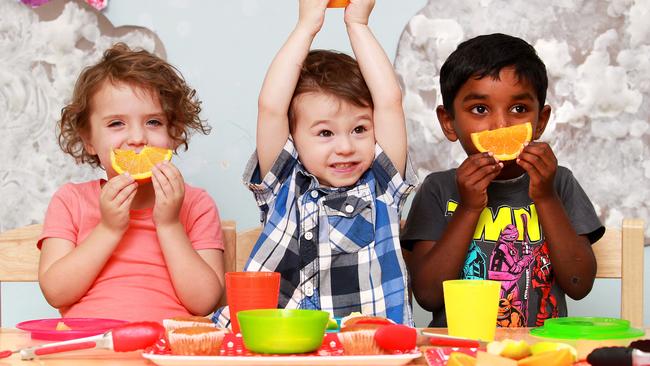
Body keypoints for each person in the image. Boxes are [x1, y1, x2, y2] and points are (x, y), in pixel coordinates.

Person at [215, 0, 416, 325]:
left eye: (360, 129)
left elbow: (389, 101)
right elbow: (270, 107)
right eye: (325, 132)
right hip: (279, 345)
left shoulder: (381, 186)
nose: (346, 146)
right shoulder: (283, 182)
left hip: (366, 349)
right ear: (294, 137)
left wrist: (358, 25)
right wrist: (307, 24)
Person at [400, 33, 605, 327]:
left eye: (519, 109)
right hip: (461, 353)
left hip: (539, 353)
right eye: (480, 109)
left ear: (541, 121)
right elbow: (429, 295)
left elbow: (578, 284)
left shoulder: (559, 183)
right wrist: (469, 208)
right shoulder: (438, 189)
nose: (501, 125)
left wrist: (546, 196)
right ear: (449, 122)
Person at [38, 43, 225, 323]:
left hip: (170, 349)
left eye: (153, 122)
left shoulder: (196, 205)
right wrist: (109, 228)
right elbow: (56, 292)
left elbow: (204, 302)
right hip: (90, 347)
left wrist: (170, 224)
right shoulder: (71, 202)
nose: (138, 137)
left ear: (174, 133)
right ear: (88, 139)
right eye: (116, 124)